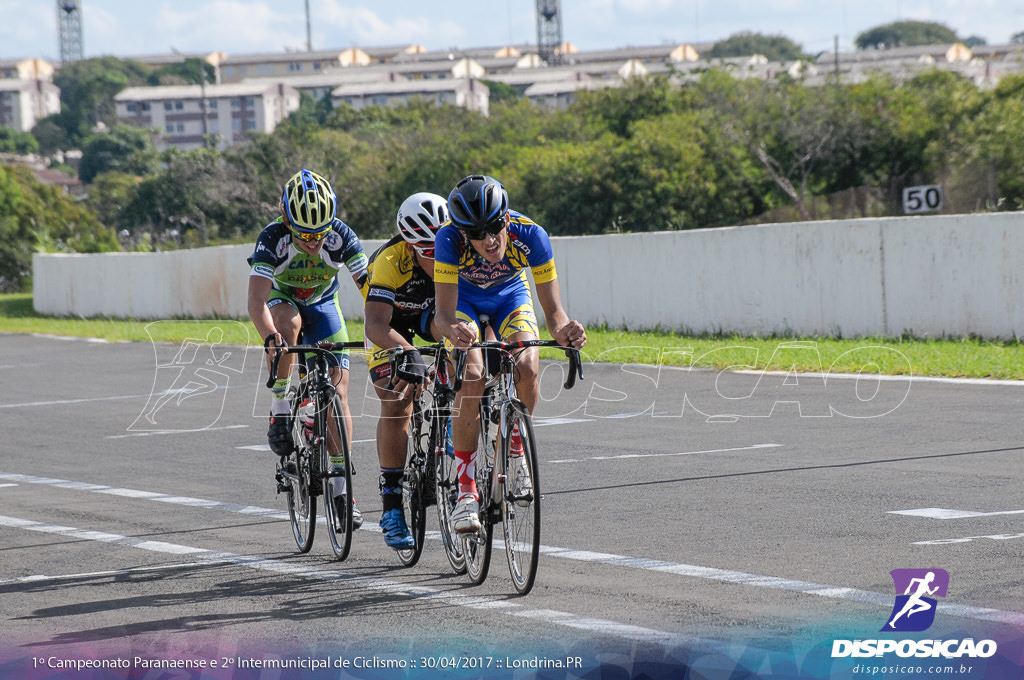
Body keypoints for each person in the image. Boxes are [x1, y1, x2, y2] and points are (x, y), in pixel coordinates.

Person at [433, 174, 587, 533]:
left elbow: (553, 313)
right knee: (470, 375)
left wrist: (565, 331)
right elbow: (442, 315)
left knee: (528, 364)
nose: (488, 240)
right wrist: (452, 332)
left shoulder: (532, 235)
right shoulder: (448, 238)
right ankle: (466, 492)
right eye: (477, 233)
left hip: (509, 296)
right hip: (465, 300)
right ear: (463, 231)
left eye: (495, 228)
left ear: (506, 218)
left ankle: (516, 450)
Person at [247, 168, 369, 529]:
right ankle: (281, 406)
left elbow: (372, 290)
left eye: (320, 233)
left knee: (339, 391)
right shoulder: (273, 238)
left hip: (323, 305)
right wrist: (271, 339)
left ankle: (341, 488)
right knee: (289, 326)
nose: (315, 242)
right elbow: (257, 302)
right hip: (283, 303)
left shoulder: (342, 236)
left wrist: (383, 329)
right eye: (305, 235)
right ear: (287, 221)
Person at [361, 192, 449, 549]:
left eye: (440, 248)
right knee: (397, 398)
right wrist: (408, 352)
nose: (436, 258)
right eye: (427, 251)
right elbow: (375, 324)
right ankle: (392, 503)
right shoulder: (388, 260)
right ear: (410, 246)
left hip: (431, 317)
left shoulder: (455, 249)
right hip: (391, 324)